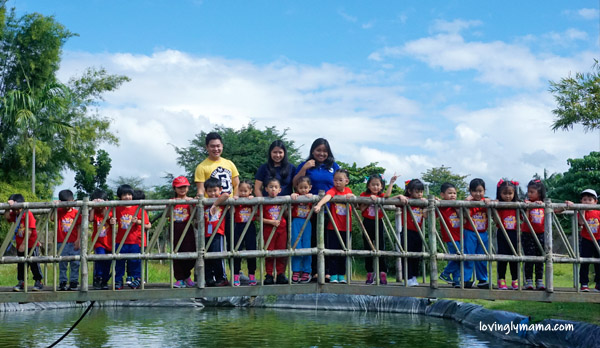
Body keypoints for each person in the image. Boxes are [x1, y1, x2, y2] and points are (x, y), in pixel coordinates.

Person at [293, 138, 339, 279]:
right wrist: (304, 168)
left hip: (329, 210)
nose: (321, 153)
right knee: (310, 240)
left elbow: (340, 182)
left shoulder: (333, 166)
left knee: (328, 240)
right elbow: (295, 183)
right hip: (308, 210)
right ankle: (312, 271)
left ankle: (327, 272)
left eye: (325, 151)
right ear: (313, 151)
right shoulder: (305, 165)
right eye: (318, 150)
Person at [314, 169, 354, 284]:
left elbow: (355, 201)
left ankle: (342, 275)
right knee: (332, 252)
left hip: (346, 228)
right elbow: (327, 197)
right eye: (335, 180)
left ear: (346, 181)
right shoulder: (333, 191)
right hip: (333, 227)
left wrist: (351, 196)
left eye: (340, 180)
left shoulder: (348, 191)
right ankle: (333, 274)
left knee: (344, 252)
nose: (337, 182)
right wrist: (319, 205)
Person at [109, 184, 151, 290]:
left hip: (134, 240)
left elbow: (146, 223)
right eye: (124, 195)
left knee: (135, 261)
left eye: (129, 194)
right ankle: (118, 280)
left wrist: (137, 221)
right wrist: (111, 220)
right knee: (119, 262)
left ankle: (137, 279)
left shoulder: (138, 208)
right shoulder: (117, 208)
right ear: (120, 197)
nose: (127, 197)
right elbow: (109, 216)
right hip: (121, 240)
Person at [359, 173, 397, 285]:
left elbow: (388, 196)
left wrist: (391, 183)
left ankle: (382, 272)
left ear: (381, 187)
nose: (375, 187)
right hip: (367, 222)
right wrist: (369, 200)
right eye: (373, 185)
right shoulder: (364, 195)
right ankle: (370, 272)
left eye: (378, 185)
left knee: (381, 247)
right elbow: (361, 208)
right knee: (368, 248)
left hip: (378, 223)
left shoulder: (381, 196)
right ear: (368, 186)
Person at [4, 194, 43, 292]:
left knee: (34, 263)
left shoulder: (27, 214)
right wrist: (7, 207)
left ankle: (38, 281)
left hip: (30, 244)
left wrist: (24, 244)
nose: (16, 211)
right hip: (20, 244)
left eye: (18, 209)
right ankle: (21, 281)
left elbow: (29, 230)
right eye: (15, 209)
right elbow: (7, 216)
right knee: (21, 264)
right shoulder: (16, 214)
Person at [566, 189, 600, 292]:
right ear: (581, 201)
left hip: (598, 239)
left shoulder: (598, 211)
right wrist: (582, 210)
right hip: (586, 239)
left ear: (595, 202)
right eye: (585, 199)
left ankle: (598, 284)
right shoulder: (581, 211)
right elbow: (581, 223)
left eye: (590, 199)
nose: (587, 202)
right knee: (584, 262)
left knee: (598, 263)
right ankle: (584, 283)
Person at [462, 178, 490, 289]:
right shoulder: (470, 203)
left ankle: (483, 280)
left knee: (482, 256)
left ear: (484, 191)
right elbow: (465, 214)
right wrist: (466, 202)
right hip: (470, 232)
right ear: (470, 191)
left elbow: (492, 213)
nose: (477, 194)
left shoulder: (485, 202)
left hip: (483, 233)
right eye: (474, 191)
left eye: (480, 191)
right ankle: (465, 279)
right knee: (469, 256)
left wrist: (489, 202)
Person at [203, 177, 230, 287]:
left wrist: (215, 205)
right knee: (206, 256)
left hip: (218, 232)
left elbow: (227, 195)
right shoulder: (204, 202)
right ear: (206, 192)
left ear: (220, 189)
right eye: (209, 191)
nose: (213, 193)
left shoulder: (221, 201)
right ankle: (209, 278)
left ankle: (221, 278)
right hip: (206, 233)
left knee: (217, 255)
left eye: (215, 190)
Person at [194, 132, 239, 197]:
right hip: (211, 205)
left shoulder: (230, 163)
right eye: (212, 146)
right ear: (207, 147)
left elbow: (237, 184)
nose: (216, 149)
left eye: (218, 146)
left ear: (222, 146)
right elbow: (201, 190)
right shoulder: (201, 167)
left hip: (230, 205)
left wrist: (235, 199)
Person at [262, 178, 289, 285]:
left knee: (281, 252)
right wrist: (270, 222)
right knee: (269, 252)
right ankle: (269, 274)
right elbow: (257, 217)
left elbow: (287, 215)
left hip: (281, 230)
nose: (273, 189)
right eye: (271, 187)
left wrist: (285, 208)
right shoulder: (263, 201)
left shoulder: (282, 200)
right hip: (269, 230)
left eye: (276, 187)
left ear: (280, 190)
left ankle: (280, 274)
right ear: (266, 189)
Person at [171, 176, 196, 289]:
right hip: (175, 228)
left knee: (191, 253)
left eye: (184, 187)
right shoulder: (172, 201)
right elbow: (167, 215)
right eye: (180, 187)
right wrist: (170, 205)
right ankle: (180, 278)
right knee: (176, 254)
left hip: (187, 228)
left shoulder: (190, 200)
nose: (182, 189)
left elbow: (194, 215)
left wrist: (191, 204)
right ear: (175, 188)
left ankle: (187, 276)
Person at [494, 179, 520, 290]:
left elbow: (524, 217)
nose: (508, 196)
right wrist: (494, 206)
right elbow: (495, 220)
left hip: (514, 233)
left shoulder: (518, 206)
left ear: (514, 194)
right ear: (500, 194)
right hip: (502, 233)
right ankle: (501, 279)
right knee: (502, 257)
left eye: (510, 193)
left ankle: (515, 280)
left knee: (515, 257)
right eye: (505, 193)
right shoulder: (499, 205)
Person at [54, 189, 81, 291]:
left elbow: (79, 227)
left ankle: (74, 281)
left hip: (73, 241)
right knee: (62, 263)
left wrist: (78, 239)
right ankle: (63, 281)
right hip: (62, 241)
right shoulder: (59, 211)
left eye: (69, 202)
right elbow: (52, 218)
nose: (67, 206)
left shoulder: (76, 213)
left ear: (73, 200)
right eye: (65, 203)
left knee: (75, 262)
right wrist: (55, 206)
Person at [521, 179, 546, 291]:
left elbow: (557, 210)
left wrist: (567, 205)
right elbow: (524, 219)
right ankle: (529, 280)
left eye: (532, 192)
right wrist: (527, 207)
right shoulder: (526, 203)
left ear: (539, 193)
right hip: (528, 234)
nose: (529, 194)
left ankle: (539, 280)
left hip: (541, 234)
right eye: (528, 192)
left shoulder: (545, 204)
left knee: (540, 258)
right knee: (529, 257)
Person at [401, 179, 426, 287]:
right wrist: (399, 196)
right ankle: (407, 277)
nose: (420, 194)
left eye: (421, 191)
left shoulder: (422, 202)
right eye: (417, 191)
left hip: (418, 232)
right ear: (410, 191)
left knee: (417, 255)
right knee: (406, 255)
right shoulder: (406, 200)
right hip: (407, 231)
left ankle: (414, 276)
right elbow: (388, 199)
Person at [232, 180, 257, 286]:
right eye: (240, 191)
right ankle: (235, 275)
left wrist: (253, 200)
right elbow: (231, 211)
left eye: (245, 191)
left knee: (252, 250)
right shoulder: (236, 201)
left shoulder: (252, 201)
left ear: (250, 191)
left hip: (250, 226)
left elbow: (257, 211)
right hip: (238, 226)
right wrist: (234, 200)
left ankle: (252, 274)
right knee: (236, 251)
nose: (242, 193)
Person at [437, 183, 462, 287]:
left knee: (459, 258)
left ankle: (457, 280)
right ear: (442, 195)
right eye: (450, 193)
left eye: (455, 193)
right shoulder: (442, 206)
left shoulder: (458, 205)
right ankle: (446, 273)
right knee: (458, 257)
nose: (453, 195)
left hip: (460, 235)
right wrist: (435, 201)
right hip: (450, 236)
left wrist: (457, 208)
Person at [290, 176, 313, 283]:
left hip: (307, 222)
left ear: (310, 187)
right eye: (301, 188)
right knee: (296, 245)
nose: (303, 190)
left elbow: (317, 204)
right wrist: (293, 195)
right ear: (297, 188)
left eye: (305, 187)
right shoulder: (295, 197)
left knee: (307, 246)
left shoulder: (311, 198)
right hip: (296, 221)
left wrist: (311, 197)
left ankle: (306, 271)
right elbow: (289, 206)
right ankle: (296, 270)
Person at [90, 189, 112, 290]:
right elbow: (90, 219)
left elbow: (107, 217)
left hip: (110, 242)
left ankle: (104, 280)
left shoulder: (110, 210)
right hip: (98, 242)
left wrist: (104, 206)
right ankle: (98, 277)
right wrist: (93, 207)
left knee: (107, 262)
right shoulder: (94, 212)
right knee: (99, 258)